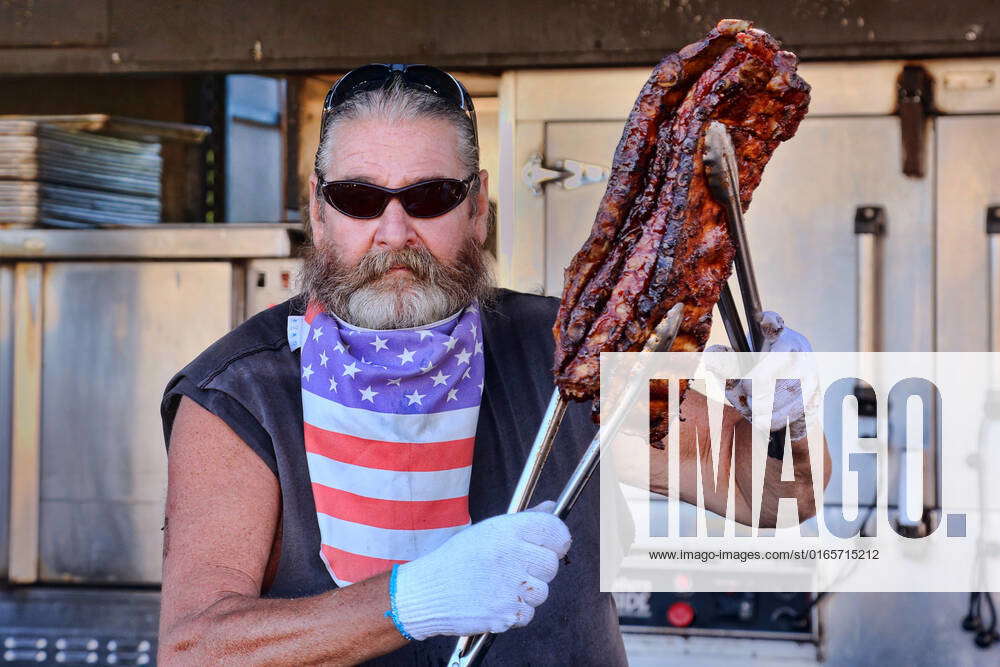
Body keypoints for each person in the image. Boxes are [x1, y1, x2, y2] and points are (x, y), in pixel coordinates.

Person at [158, 63, 824, 665]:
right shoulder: (241, 393)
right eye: (359, 197)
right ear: (318, 208)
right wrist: (411, 600)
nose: (394, 232)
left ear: (477, 207)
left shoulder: (569, 349)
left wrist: (783, 414)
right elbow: (195, 650)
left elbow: (778, 496)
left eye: (431, 196)